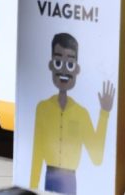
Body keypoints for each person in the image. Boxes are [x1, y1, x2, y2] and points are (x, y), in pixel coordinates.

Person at [28, 32, 116, 193]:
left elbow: (96, 158)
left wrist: (104, 113)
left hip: (70, 179)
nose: (63, 70)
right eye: (58, 61)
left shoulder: (82, 114)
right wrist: (32, 187)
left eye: (69, 64)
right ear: (51, 65)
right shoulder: (43, 108)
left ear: (76, 69)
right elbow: (37, 152)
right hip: (50, 176)